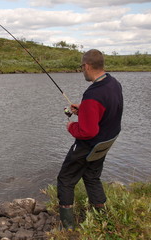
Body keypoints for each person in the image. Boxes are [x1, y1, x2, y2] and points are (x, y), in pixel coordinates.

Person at [57, 49, 123, 230]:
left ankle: (68, 227)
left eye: (81, 67)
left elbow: (87, 131)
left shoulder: (93, 94)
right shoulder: (113, 83)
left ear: (86, 66)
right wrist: (84, 108)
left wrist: (71, 127)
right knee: (92, 177)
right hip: (104, 144)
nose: (82, 70)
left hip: (89, 145)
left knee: (65, 179)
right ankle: (103, 219)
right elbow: (108, 111)